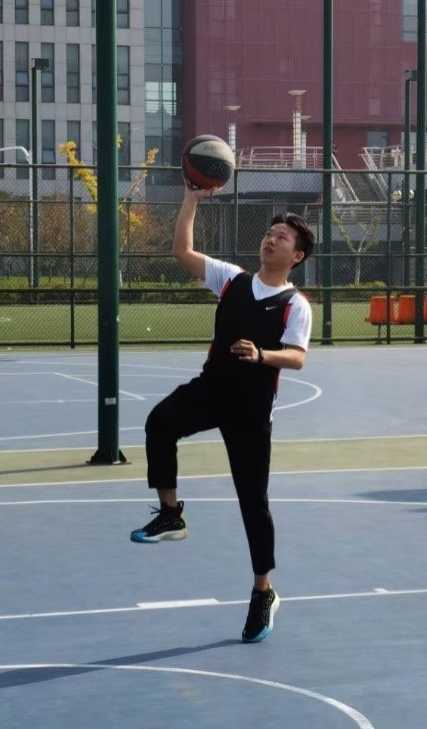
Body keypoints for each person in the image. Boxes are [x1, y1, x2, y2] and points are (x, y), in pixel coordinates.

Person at [130, 184, 315, 644]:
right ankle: (171, 515)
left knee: (254, 503)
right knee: (160, 422)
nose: (271, 239)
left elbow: (297, 358)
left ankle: (263, 591)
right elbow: (182, 251)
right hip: (212, 389)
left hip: (251, 410)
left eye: (282, 237)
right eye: (270, 233)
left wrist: (262, 355)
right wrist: (191, 198)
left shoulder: (295, 304)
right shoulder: (232, 279)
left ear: (296, 256)